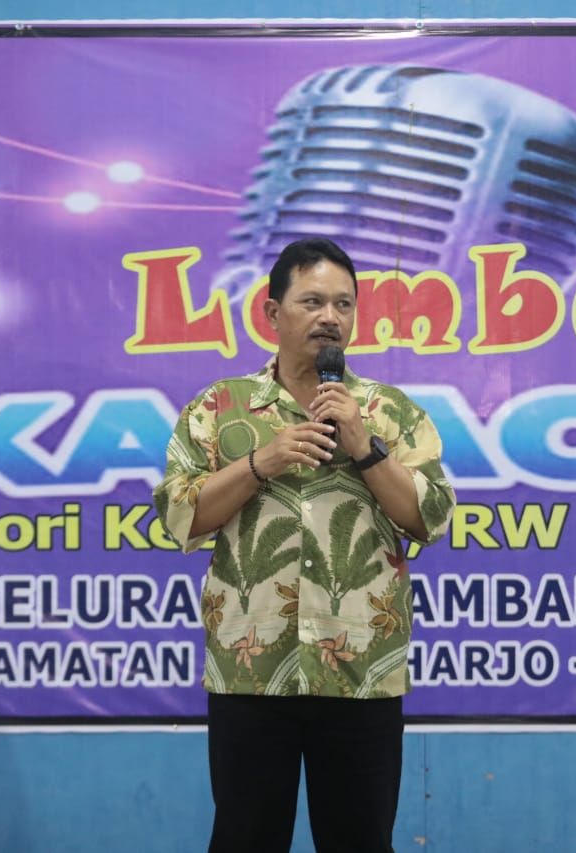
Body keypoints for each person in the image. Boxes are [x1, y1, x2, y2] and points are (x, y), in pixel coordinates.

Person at [154, 237, 456, 853]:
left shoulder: (388, 411)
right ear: (273, 312)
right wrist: (259, 463)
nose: (330, 317)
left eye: (344, 304)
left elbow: (430, 517)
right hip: (251, 667)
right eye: (312, 301)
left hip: (360, 669)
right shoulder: (220, 406)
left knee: (360, 841)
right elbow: (180, 517)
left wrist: (364, 445)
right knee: (244, 839)